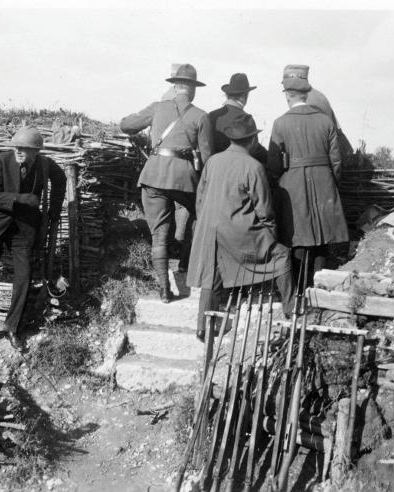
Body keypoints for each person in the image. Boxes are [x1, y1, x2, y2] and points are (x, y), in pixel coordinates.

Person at [187, 114, 293, 342]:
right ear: (252, 141)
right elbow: (265, 211)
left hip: (208, 228)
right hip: (237, 232)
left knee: (211, 273)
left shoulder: (213, 161)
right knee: (282, 256)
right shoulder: (254, 167)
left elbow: (200, 199)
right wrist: (269, 239)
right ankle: (291, 309)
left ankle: (203, 326)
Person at [120, 63, 213, 302]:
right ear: (192, 90)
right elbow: (208, 158)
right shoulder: (201, 116)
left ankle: (164, 289)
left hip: (154, 175)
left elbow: (127, 125)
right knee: (198, 215)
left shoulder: (157, 107)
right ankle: (185, 263)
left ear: (174, 87)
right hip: (184, 178)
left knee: (158, 236)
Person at [0, 127, 66, 352]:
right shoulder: (2, 161)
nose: (18, 151)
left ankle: (12, 328)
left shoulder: (45, 165)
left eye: (23, 148)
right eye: (16, 147)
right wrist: (22, 199)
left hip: (23, 229)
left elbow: (61, 179)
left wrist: (53, 211)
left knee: (24, 275)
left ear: (35, 150)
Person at [267, 65, 349, 288]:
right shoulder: (326, 121)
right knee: (323, 238)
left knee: (298, 237)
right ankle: (318, 287)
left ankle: (298, 289)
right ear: (306, 94)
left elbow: (273, 164)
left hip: (293, 186)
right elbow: (336, 161)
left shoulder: (280, 123)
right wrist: (332, 184)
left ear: (288, 95)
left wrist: (279, 184)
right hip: (324, 182)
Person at [208, 73, 267, 164]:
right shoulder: (246, 119)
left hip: (214, 168)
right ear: (244, 95)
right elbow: (254, 149)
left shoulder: (211, 116)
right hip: (239, 168)